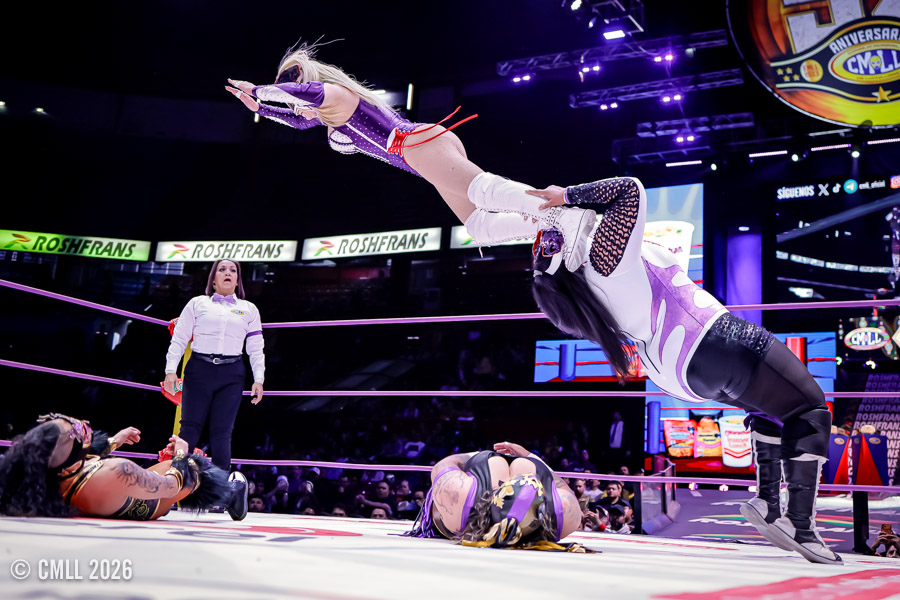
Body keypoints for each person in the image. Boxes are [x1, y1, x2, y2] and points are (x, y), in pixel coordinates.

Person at [475, 175, 840, 564]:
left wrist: (516, 218)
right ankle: (800, 524)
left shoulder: (573, 301)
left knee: (768, 406)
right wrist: (564, 195)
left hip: (674, 369)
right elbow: (629, 189)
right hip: (710, 338)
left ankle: (768, 503)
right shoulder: (606, 261)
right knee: (810, 407)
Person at [225, 42, 596, 264]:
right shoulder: (328, 116)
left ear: (306, 81)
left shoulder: (335, 95)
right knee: (478, 227)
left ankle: (565, 213)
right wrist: (260, 108)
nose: (294, 97)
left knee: (483, 190)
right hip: (419, 151)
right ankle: (546, 223)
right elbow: (298, 121)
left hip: (415, 144)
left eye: (292, 84)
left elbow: (302, 97)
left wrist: (259, 91)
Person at [0, 413, 246, 521]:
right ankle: (231, 496)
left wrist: (115, 440)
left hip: (113, 493)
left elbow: (81, 459)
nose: (82, 424)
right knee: (193, 467)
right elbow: (170, 486)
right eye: (76, 429)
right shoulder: (118, 471)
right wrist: (182, 454)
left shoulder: (51, 475)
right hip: (152, 501)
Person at [163, 259, 265, 473]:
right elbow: (179, 339)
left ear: (237, 280)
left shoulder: (249, 309)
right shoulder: (197, 303)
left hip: (232, 373)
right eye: (222, 269)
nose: (228, 273)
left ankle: (220, 488)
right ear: (213, 279)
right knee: (189, 428)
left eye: (233, 270)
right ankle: (176, 481)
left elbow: (256, 348)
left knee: (222, 432)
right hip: (199, 369)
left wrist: (259, 379)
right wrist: (170, 371)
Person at [405, 441, 589, 551]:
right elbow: (560, 485)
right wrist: (529, 456)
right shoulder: (562, 515)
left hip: (471, 494)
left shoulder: (463, 500)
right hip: (495, 480)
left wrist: (475, 454)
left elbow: (443, 466)